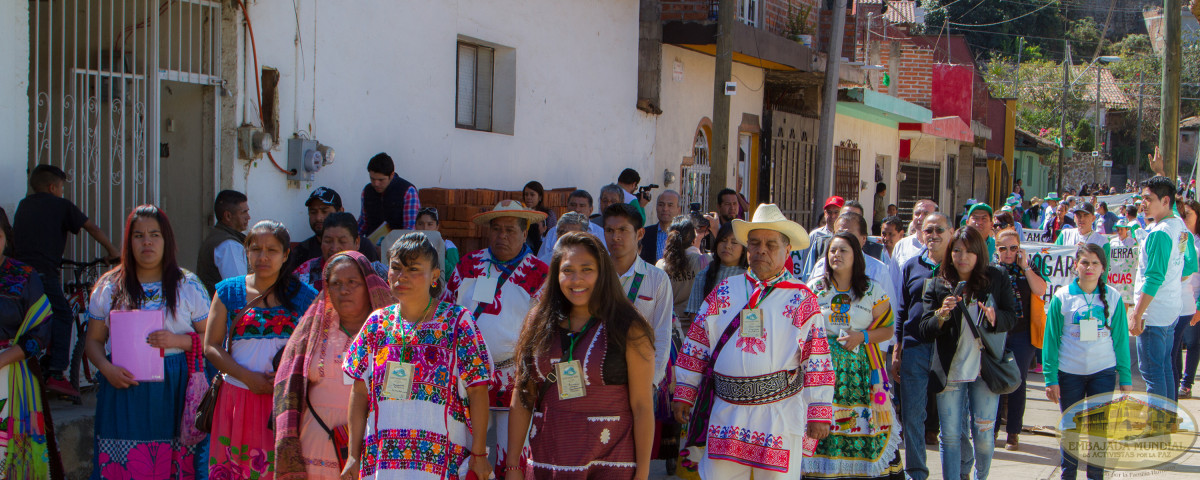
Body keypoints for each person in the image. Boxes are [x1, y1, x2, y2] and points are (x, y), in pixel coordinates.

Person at [672, 203, 835, 479]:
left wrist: (819, 409)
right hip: (727, 413)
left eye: (771, 244)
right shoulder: (725, 291)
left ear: (787, 250)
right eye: (755, 243)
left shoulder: (801, 298)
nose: (762, 250)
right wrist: (685, 391)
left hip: (778, 415)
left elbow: (816, 356)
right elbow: (696, 344)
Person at [505, 232, 656, 479]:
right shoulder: (539, 321)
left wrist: (642, 473)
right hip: (548, 462)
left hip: (611, 464)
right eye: (567, 270)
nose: (576, 280)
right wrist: (512, 466)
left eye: (587, 269)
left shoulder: (628, 326)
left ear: (603, 273)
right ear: (556, 274)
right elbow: (523, 397)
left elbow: (641, 406)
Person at [343, 233, 492, 479]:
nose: (402, 277)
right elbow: (359, 393)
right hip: (382, 463)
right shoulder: (376, 324)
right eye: (396, 268)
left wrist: (478, 454)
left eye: (413, 269)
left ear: (434, 276)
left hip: (441, 463)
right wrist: (352, 455)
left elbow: (478, 390)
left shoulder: (457, 322)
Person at [84, 205, 212, 478]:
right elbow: (93, 341)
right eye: (138, 235)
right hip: (122, 386)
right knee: (124, 462)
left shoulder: (187, 285)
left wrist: (179, 340)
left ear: (167, 240)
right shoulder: (109, 286)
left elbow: (212, 339)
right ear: (128, 242)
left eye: (155, 234)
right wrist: (106, 370)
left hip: (176, 386)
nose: (147, 242)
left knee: (175, 461)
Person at [205, 221, 318, 479]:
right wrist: (248, 378)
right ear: (246, 251)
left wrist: (283, 381)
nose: (263, 256)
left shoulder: (305, 296)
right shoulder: (228, 292)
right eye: (256, 249)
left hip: (284, 403)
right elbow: (211, 346)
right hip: (236, 398)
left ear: (286, 254)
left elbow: (312, 350)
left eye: (272, 250)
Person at [444, 199, 549, 477]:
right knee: (463, 452)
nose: (502, 236)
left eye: (510, 230)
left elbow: (545, 330)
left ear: (525, 233)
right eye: (496, 229)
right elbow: (445, 307)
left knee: (511, 455)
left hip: (513, 379)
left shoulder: (540, 274)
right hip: (466, 377)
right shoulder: (469, 265)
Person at [274, 250, 396, 479]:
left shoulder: (389, 333)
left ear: (368, 286)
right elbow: (289, 382)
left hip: (371, 446)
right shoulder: (312, 330)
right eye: (336, 283)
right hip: (314, 443)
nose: (344, 290)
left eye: (353, 282)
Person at [919, 226, 1017, 480]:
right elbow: (925, 329)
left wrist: (996, 318)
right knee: (949, 436)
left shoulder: (996, 278)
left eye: (969, 252)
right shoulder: (937, 284)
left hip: (986, 369)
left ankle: (980, 476)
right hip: (950, 371)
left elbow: (1012, 317)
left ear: (979, 254)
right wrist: (941, 313)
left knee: (983, 435)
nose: (963, 257)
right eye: (957, 251)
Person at [13, 164, 120, 396]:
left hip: (19, 274)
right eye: (61, 187)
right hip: (43, 273)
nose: (62, 192)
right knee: (62, 314)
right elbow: (91, 227)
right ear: (53, 187)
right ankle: (56, 372)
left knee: (36, 317)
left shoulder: (24, 205)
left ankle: (40, 363)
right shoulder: (60, 205)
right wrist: (112, 251)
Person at [804, 232, 903, 479]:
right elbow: (801, 327)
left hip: (862, 376)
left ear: (856, 255)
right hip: (823, 375)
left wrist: (862, 337)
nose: (836, 255)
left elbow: (888, 329)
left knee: (863, 426)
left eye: (843, 250)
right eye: (832, 251)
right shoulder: (815, 288)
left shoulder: (872, 290)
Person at [1043, 243, 1133, 480]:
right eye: (1084, 262)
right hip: (1068, 372)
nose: (1089, 267)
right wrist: (1050, 378)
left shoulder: (1113, 297)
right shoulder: (1062, 296)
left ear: (1103, 267)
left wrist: (1125, 377)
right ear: (1076, 266)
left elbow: (1121, 339)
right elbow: (1050, 340)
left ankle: (1095, 476)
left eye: (1095, 263)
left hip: (1102, 372)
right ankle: (1068, 475)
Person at [0, 208, 58, 478]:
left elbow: (41, 330)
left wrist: (4, 358)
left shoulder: (22, 276)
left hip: (14, 378)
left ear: (6, 237)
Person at [892, 212, 951, 480]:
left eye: (939, 230)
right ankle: (916, 472)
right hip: (915, 347)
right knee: (913, 416)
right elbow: (901, 310)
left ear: (950, 232)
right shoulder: (911, 266)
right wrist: (897, 349)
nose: (934, 235)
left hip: (949, 351)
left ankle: (957, 471)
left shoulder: (957, 267)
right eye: (928, 230)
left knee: (952, 418)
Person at [602, 203, 674, 388]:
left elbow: (662, 333)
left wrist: (652, 383)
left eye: (623, 230)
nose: (615, 237)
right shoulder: (595, 276)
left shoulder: (657, 279)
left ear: (640, 234)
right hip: (599, 375)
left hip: (641, 376)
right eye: (609, 230)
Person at [1131, 176, 1189, 401]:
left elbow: (1154, 278)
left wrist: (1137, 313)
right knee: (1164, 368)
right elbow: (1184, 262)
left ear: (1165, 201)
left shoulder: (1160, 233)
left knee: (1154, 372)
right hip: (1170, 308)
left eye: (1148, 198)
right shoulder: (1179, 225)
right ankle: (1165, 421)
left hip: (1154, 313)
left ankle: (1157, 426)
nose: (1142, 203)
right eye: (1142, 198)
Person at [994, 228, 1047, 451]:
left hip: (1022, 334)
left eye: (1013, 248)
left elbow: (1041, 290)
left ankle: (1013, 432)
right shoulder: (991, 271)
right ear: (997, 250)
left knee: (1018, 383)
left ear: (1020, 249)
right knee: (993, 382)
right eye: (1003, 248)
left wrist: (1025, 267)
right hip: (996, 333)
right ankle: (992, 428)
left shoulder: (1029, 268)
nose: (1008, 253)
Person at [291, 187, 380, 271]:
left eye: (324, 211)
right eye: (313, 212)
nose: (318, 217)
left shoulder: (364, 247)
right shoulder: (301, 251)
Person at [293, 213, 389, 291]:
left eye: (342, 241)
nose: (334, 248)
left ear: (357, 243)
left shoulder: (377, 274)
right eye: (328, 241)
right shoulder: (303, 274)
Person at [683, 224, 748, 333]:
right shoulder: (704, 275)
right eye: (723, 240)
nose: (727, 246)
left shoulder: (750, 279)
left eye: (734, 242)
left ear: (743, 249)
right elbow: (695, 317)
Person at [197, 189, 251, 295]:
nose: (248, 217)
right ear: (228, 216)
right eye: (244, 212)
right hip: (226, 310)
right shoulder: (229, 245)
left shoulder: (218, 237)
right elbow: (238, 289)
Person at [358, 152, 420, 237]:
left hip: (398, 247)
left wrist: (388, 247)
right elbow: (363, 223)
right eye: (372, 179)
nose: (376, 183)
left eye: (381, 180)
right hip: (371, 246)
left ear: (391, 175)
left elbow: (410, 231)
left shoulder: (408, 191)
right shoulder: (367, 191)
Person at [656, 215, 706, 319]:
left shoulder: (661, 265)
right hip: (695, 327)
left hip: (670, 326)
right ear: (693, 240)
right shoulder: (703, 261)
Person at [1175, 198, 1200, 400]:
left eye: (1189, 214)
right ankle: (1176, 381)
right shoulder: (1181, 238)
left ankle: (1186, 383)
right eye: (1182, 214)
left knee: (1192, 342)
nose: (1184, 218)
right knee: (1177, 343)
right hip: (1178, 298)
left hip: (1195, 299)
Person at [538, 190, 606, 260]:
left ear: (591, 210)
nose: (577, 209)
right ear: (567, 208)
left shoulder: (600, 232)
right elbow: (541, 261)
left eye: (582, 206)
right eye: (573, 205)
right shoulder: (553, 232)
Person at [414, 206, 460, 283]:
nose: (425, 228)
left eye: (430, 224)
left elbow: (454, 277)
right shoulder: (409, 246)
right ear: (415, 226)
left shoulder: (448, 246)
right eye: (420, 224)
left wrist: (437, 253)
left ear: (437, 226)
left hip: (440, 292)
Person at [641, 190, 682, 264]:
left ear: (678, 210)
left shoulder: (683, 235)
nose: (665, 209)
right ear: (656, 207)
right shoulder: (645, 234)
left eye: (670, 205)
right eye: (661, 204)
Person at [522, 181, 558, 254]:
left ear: (540, 197)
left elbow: (552, 234)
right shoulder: (520, 213)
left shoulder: (548, 214)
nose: (528, 197)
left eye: (532, 195)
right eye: (526, 195)